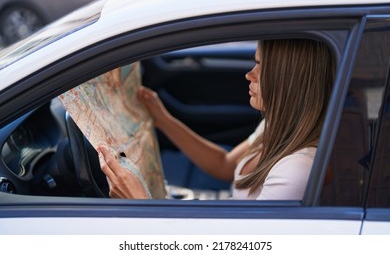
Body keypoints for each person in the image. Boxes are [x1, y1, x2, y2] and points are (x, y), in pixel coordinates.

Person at [97, 38, 336, 200]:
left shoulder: (296, 170)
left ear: (287, 80)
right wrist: (163, 120)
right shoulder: (275, 126)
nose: (248, 74)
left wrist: (140, 202)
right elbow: (225, 165)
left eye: (261, 68)